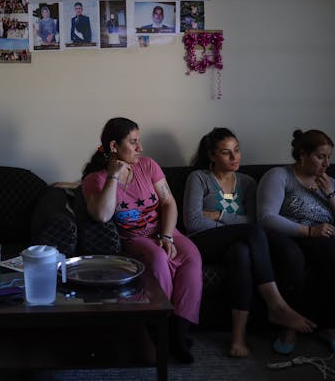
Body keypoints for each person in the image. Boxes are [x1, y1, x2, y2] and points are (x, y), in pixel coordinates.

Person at [183, 128, 315, 357]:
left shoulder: (248, 182)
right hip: (202, 243)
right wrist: (234, 228)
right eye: (226, 153)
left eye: (237, 150)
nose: (235, 158)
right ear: (212, 156)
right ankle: (276, 305)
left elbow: (253, 219)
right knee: (250, 234)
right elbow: (193, 222)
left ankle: (238, 337)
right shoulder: (199, 178)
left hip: (234, 242)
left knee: (241, 251)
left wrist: (218, 216)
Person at [81, 117, 202, 363]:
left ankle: (180, 332)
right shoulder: (95, 180)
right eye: (133, 142)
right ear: (114, 146)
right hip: (134, 239)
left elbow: (168, 202)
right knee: (158, 258)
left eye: (139, 141)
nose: (140, 148)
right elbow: (102, 215)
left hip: (164, 230)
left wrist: (168, 235)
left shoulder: (148, 166)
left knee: (191, 257)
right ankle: (159, 329)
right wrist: (113, 176)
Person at [257, 129, 335, 354]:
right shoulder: (279, 176)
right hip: (286, 235)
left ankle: (329, 326)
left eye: (329, 157)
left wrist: (331, 194)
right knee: (291, 258)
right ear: (302, 154)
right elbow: (266, 218)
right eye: (320, 156)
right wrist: (310, 231)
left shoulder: (329, 183)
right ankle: (288, 325)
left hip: (320, 239)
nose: (326, 164)